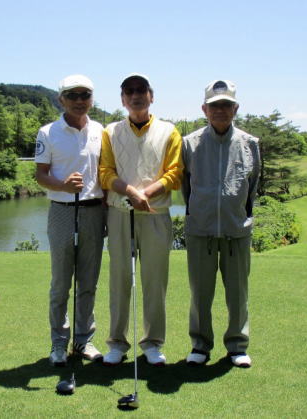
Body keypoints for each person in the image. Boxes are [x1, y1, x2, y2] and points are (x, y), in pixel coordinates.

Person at [99, 73, 183, 366]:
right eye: (129, 91)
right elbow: (105, 173)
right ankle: (117, 343)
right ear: (123, 99)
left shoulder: (169, 131)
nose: (135, 95)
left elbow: (174, 174)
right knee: (119, 280)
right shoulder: (110, 131)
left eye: (141, 90)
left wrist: (145, 194)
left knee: (155, 282)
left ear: (151, 96)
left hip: (155, 215)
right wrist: (132, 192)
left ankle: (153, 343)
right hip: (120, 214)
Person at [182, 80, 260, 368]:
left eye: (226, 105)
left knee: (238, 294)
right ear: (204, 109)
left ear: (235, 108)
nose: (220, 110)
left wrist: (240, 216)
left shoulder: (250, 144)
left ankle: (237, 346)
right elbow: (185, 187)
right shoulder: (190, 144)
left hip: (236, 230)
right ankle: (200, 345)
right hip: (200, 230)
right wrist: (197, 213)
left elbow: (252, 186)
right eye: (214, 106)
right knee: (200, 294)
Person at [34, 74, 106, 366]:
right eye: (72, 95)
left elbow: (105, 174)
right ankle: (59, 343)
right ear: (61, 99)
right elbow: (40, 175)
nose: (79, 100)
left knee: (88, 282)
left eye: (85, 95)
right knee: (61, 282)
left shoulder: (100, 130)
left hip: (93, 211)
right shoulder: (48, 132)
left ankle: (84, 340)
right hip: (62, 210)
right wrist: (63, 186)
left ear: (92, 99)